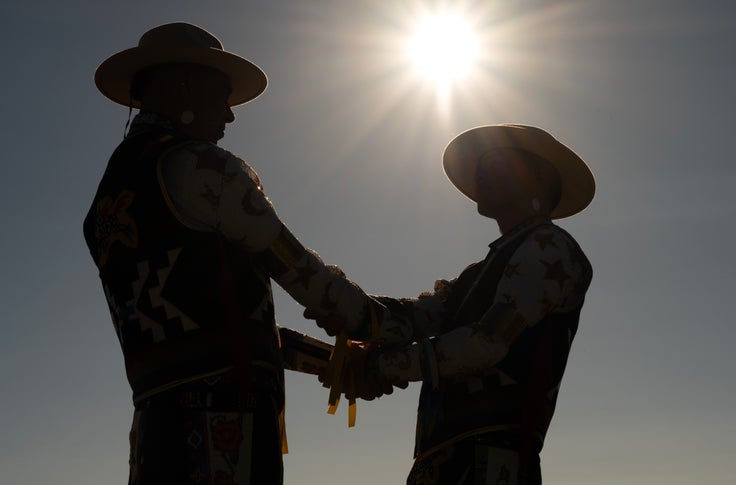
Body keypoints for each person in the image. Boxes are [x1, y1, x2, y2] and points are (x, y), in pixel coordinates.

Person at [83, 22, 397, 484]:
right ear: (185, 84)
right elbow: (303, 276)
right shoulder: (204, 167)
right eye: (221, 93)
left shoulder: (107, 202)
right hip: (226, 434)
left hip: (154, 437)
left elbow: (227, 327)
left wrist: (336, 361)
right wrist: (387, 328)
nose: (230, 116)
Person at [309, 124, 595, 484]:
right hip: (440, 460)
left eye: (494, 162)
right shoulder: (480, 271)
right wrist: (331, 297)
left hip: (492, 463)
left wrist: (383, 366)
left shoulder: (552, 248)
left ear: (534, 175)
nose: (479, 172)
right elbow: (410, 319)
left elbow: (485, 343)